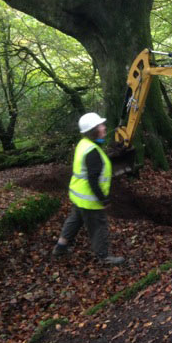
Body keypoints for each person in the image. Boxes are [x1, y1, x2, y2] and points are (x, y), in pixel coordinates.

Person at [52, 112, 124, 265]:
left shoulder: (84, 144)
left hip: (79, 196)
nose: (104, 127)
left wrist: (114, 150)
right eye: (100, 125)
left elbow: (93, 164)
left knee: (74, 220)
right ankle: (104, 256)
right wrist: (103, 199)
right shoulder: (92, 151)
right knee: (99, 226)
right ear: (93, 130)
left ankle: (60, 247)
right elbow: (93, 179)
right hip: (90, 199)